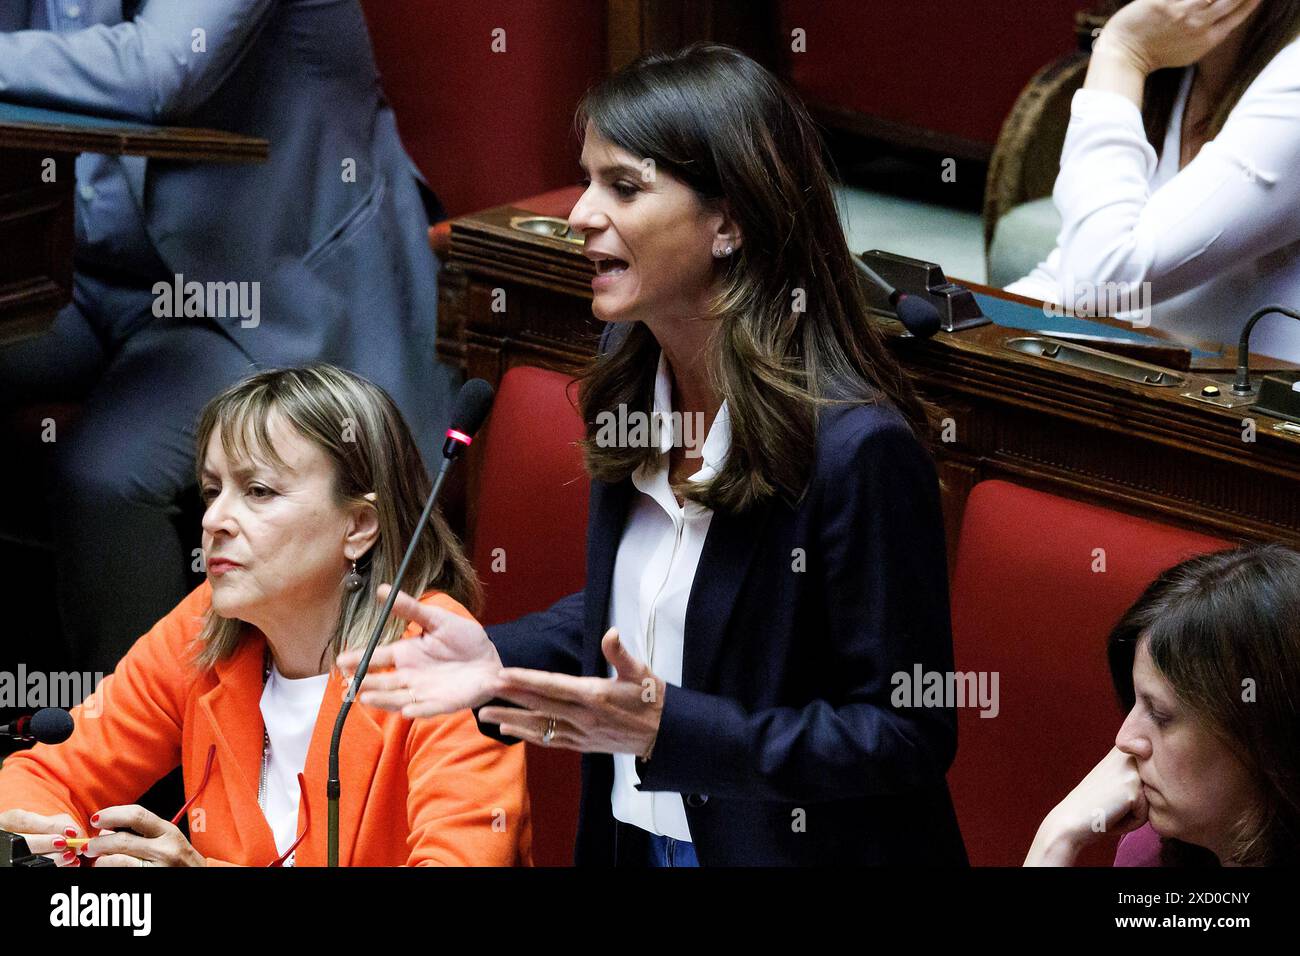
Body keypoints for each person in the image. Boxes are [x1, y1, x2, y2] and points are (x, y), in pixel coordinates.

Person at [342, 44, 968, 867]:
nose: (580, 214)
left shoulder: (856, 450)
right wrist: (500, 660)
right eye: (587, 179)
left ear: (731, 221)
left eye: (625, 187)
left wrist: (674, 729)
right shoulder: (634, 380)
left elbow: (905, 733)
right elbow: (655, 606)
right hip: (634, 843)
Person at [0, 1, 457, 676]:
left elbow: (164, 68)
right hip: (88, 278)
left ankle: (148, 765)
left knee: (106, 474)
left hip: (262, 293)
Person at [0, 365, 530, 867]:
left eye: (258, 491)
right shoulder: (206, 626)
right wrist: (59, 851)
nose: (214, 519)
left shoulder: (440, 659)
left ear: (359, 526)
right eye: (212, 491)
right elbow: (42, 774)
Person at [1006, 0, 1300, 359]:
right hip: (1156, 383)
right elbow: (1069, 272)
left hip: (1244, 408)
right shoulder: (1183, 52)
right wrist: (962, 319)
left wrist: (1121, 53)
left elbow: (1101, 279)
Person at [1025, 544, 1300, 867]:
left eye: (1160, 714)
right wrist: (1057, 837)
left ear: (1263, 739)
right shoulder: (1147, 852)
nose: (1124, 739)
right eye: (1136, 703)